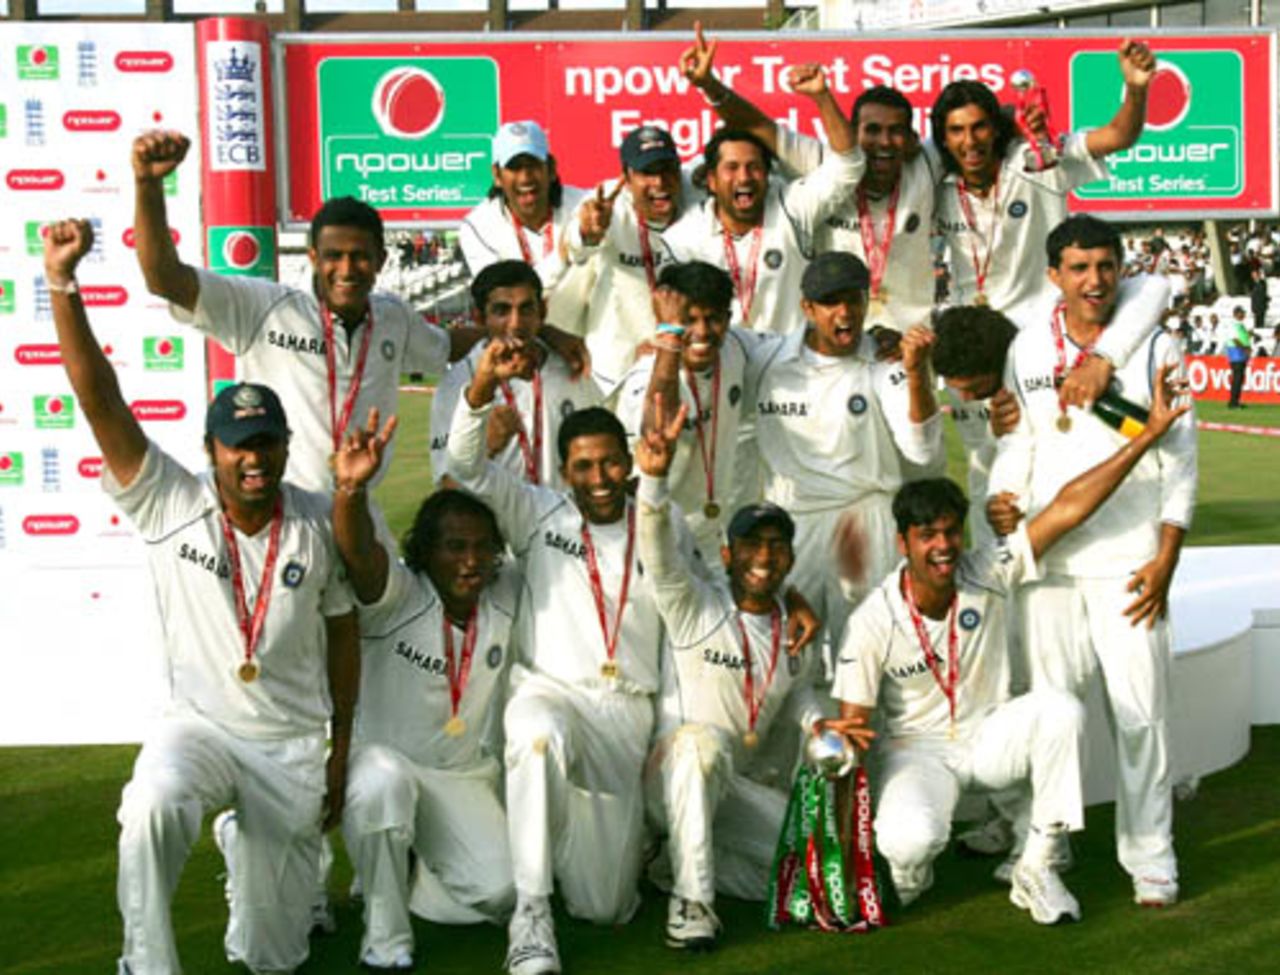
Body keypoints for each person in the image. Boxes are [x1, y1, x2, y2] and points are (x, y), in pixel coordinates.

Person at [44, 218, 358, 974]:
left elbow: (344, 634)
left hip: (287, 745)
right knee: (150, 803)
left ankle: (248, 846)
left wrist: (339, 749)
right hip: (202, 729)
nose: (253, 459)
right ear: (212, 448)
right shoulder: (169, 502)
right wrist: (62, 284)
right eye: (237, 444)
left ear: (286, 445)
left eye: (266, 442)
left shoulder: (318, 518)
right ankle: (144, 961)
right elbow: (100, 401)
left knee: (271, 957)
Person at [825, 368, 1189, 924]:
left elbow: (1067, 509)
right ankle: (907, 867)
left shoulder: (987, 569)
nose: (944, 547)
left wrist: (1145, 436)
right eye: (929, 537)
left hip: (988, 737)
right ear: (904, 543)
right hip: (915, 751)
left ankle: (1037, 865)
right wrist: (849, 850)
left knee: (1061, 711)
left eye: (952, 532)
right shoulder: (874, 618)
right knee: (910, 840)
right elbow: (853, 730)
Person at [446, 346, 696, 975]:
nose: (601, 478)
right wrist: (479, 387)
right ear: (564, 471)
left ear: (630, 457)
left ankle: (608, 844)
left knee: (605, 906)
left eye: (611, 461)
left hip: (627, 714)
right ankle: (529, 914)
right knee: (534, 738)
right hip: (551, 693)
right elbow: (466, 466)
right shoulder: (537, 512)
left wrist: (667, 733)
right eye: (584, 466)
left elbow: (686, 624)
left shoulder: (666, 523)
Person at [988, 214, 1198, 907]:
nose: (1094, 280)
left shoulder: (1154, 344)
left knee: (1141, 717)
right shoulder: (1026, 348)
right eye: (1078, 268)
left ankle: (1150, 854)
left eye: (1106, 265)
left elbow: (1182, 459)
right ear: (1055, 275)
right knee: (1055, 715)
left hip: (1130, 558)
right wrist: (1003, 492)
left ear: (1120, 269)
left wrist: (1167, 553)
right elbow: (1021, 441)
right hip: (1052, 562)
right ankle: (1050, 842)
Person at [634, 392, 822, 951]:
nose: (764, 555)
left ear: (790, 558)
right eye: (751, 545)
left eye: (776, 545)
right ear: (727, 553)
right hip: (671, 778)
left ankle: (673, 867)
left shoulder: (797, 627)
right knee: (699, 747)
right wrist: (654, 483)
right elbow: (659, 551)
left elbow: (801, 694)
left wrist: (820, 726)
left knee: (810, 868)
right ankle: (692, 903)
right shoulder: (696, 605)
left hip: (732, 792)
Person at [331, 413, 517, 970]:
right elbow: (360, 552)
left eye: (482, 548)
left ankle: (406, 864)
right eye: (454, 547)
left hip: (457, 777)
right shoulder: (398, 596)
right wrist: (349, 491)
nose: (470, 561)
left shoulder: (506, 594)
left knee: (501, 894)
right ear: (424, 552)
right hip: (382, 767)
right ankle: (386, 939)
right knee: (386, 787)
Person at [745, 251, 943, 651]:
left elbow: (920, 450)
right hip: (794, 522)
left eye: (853, 299)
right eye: (831, 302)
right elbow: (716, 348)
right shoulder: (767, 358)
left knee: (868, 649)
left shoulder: (887, 362)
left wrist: (917, 373)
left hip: (865, 519)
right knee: (790, 649)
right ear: (807, 307)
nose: (845, 312)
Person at [690, 22, 938, 337]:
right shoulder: (821, 163)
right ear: (852, 132)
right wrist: (711, 86)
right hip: (840, 338)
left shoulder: (927, 163)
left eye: (896, 132)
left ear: (913, 140)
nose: (884, 143)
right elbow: (757, 126)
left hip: (909, 339)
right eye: (872, 131)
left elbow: (976, 133)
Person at [930, 40, 1156, 319]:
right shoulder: (937, 181)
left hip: (1038, 330)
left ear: (996, 130)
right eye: (957, 130)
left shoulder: (1039, 159)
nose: (970, 141)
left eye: (979, 127)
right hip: (973, 331)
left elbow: (1118, 136)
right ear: (943, 138)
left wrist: (1136, 88)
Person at [667, 52, 863, 335]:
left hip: (790, 369)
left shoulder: (792, 207)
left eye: (754, 167)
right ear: (710, 180)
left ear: (769, 175)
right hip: (726, 363)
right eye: (731, 168)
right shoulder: (683, 237)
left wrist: (822, 97)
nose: (744, 177)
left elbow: (849, 165)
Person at [615, 261, 749, 560]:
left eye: (712, 319)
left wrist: (876, 339)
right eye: (688, 320)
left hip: (712, 538)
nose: (701, 332)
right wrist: (670, 341)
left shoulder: (735, 348)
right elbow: (655, 427)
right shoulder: (645, 374)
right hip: (656, 536)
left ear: (728, 320)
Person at [430, 260, 601, 489]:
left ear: (542, 311)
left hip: (564, 520)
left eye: (526, 308)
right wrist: (484, 445)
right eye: (502, 311)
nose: (516, 323)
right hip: (497, 522)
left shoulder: (572, 367)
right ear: (480, 318)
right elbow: (447, 487)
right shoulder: (458, 385)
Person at [562, 125, 699, 396]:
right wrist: (587, 234)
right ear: (626, 177)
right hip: (615, 369)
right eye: (647, 173)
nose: (659, 182)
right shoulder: (605, 203)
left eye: (666, 169)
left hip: (683, 358)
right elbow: (573, 248)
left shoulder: (696, 190)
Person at [458, 120, 590, 330]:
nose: (525, 177)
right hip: (522, 338)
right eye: (514, 167)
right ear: (497, 175)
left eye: (533, 165)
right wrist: (565, 252)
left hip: (587, 336)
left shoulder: (586, 207)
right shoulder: (477, 226)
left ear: (552, 168)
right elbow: (503, 298)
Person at [1227, 305, 1252, 409]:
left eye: (1243, 313)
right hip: (1236, 353)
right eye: (1241, 313)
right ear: (1235, 314)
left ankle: (1235, 400)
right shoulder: (1233, 325)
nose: (1243, 315)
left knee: (1239, 378)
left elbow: (1242, 337)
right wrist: (1245, 349)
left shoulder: (1240, 325)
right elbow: (1235, 339)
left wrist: (1250, 335)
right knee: (1237, 379)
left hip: (1240, 354)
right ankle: (1233, 402)